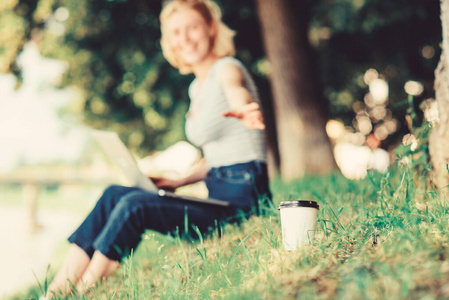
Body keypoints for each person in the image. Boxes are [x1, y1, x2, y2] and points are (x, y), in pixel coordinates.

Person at [44, 0, 272, 298]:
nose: (185, 38)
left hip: (243, 207)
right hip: (219, 197)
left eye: (192, 28)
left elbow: (235, 88)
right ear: (169, 40)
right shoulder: (196, 87)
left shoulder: (226, 67)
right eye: (176, 32)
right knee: (115, 193)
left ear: (211, 28)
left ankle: (83, 290)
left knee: (136, 205)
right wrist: (179, 181)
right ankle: (54, 292)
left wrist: (243, 107)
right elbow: (222, 158)